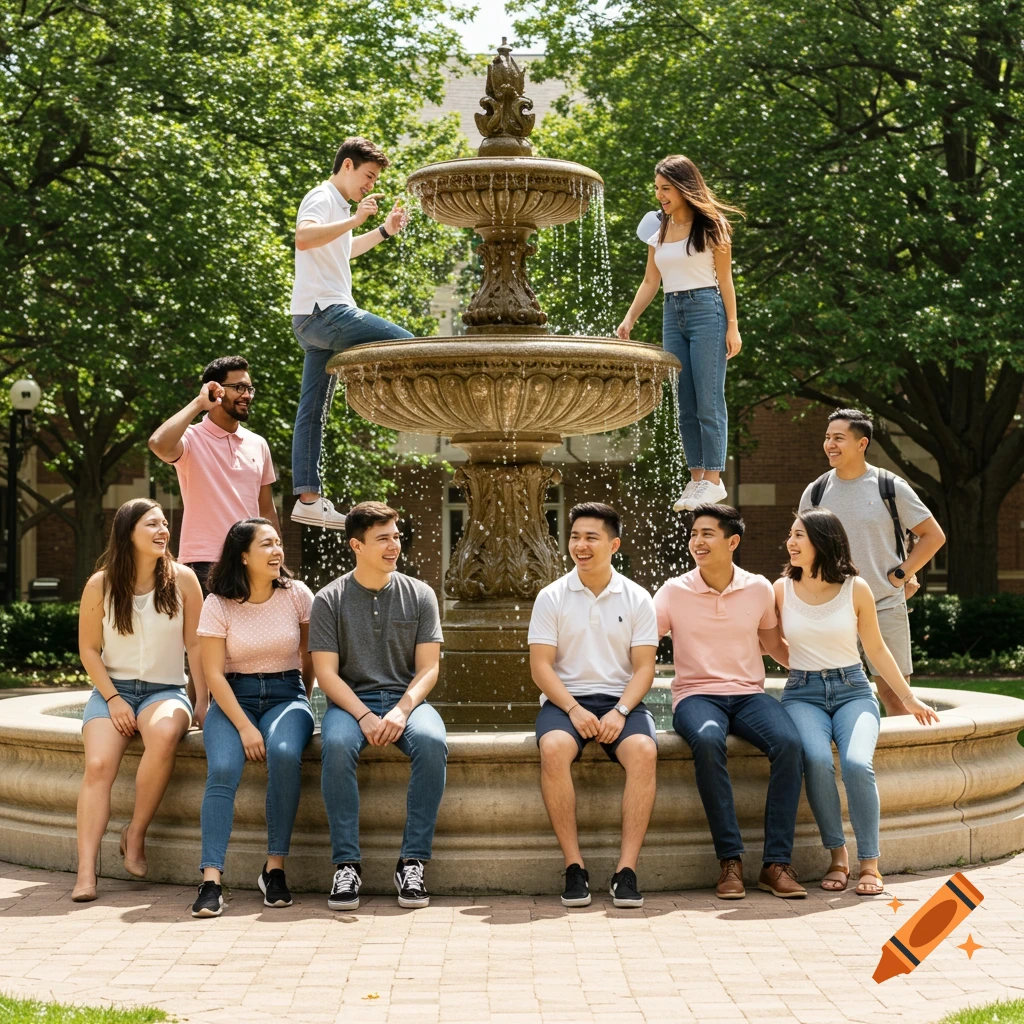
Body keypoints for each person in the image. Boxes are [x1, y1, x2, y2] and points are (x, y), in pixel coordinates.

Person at [775, 510, 940, 897]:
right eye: (791, 534)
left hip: (853, 689)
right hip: (802, 694)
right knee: (814, 760)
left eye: (800, 535)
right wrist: (801, 664)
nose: (791, 542)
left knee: (855, 763)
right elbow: (765, 638)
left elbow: (877, 649)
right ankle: (838, 856)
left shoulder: (856, 588)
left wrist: (908, 697)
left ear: (823, 540)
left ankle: (870, 862)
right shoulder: (780, 589)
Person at [655, 504, 805, 900]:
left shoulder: (757, 588)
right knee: (707, 740)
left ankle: (775, 864)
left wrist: (821, 667)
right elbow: (639, 642)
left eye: (707, 533)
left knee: (790, 744)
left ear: (732, 541)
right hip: (695, 695)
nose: (697, 541)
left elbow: (774, 646)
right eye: (693, 534)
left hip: (748, 695)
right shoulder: (673, 590)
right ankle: (730, 861)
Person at [311, 501, 446, 910]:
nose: (394, 546)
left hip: (407, 700)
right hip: (352, 703)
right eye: (383, 538)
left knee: (432, 742)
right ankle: (346, 866)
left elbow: (428, 669)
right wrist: (365, 715)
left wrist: (403, 710)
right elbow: (326, 675)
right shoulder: (329, 599)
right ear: (357, 545)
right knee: (334, 747)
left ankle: (412, 861)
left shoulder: (420, 594)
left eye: (397, 537)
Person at [529, 503, 659, 909]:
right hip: (566, 700)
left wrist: (620, 712)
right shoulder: (551, 596)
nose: (580, 546)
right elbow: (541, 667)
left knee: (644, 751)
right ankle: (575, 867)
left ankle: (626, 871)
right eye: (575, 537)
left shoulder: (638, 598)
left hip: (622, 701)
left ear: (614, 544)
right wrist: (573, 710)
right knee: (553, 749)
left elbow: (644, 669)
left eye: (591, 538)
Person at [74, 499, 202, 902]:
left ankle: (135, 833)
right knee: (97, 765)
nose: (163, 530)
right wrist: (112, 699)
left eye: (165, 523)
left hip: (166, 691)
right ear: (128, 531)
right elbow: (89, 650)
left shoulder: (183, 581)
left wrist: (202, 700)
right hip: (113, 689)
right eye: (152, 524)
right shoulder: (100, 584)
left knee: (164, 735)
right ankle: (86, 871)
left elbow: (196, 645)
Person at [191, 519, 315, 918]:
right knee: (224, 767)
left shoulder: (297, 595)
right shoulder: (218, 603)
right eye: (267, 545)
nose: (277, 551)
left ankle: (274, 870)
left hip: (286, 694)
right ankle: (211, 879)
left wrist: (303, 700)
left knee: (282, 753)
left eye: (278, 544)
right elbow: (212, 675)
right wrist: (244, 726)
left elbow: (309, 657)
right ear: (243, 555)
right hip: (234, 697)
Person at [290, 137, 412, 530]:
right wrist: (357, 219)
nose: (371, 185)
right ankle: (401, 408)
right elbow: (304, 238)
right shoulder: (322, 196)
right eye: (368, 176)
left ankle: (308, 499)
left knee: (312, 411)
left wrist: (382, 231)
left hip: (311, 321)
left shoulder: (337, 206)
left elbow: (341, 250)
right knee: (411, 346)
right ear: (346, 166)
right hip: (327, 313)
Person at [799, 409, 947, 716]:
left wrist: (901, 575)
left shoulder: (890, 487)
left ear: (861, 443)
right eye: (827, 438)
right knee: (830, 699)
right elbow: (801, 548)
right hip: (830, 609)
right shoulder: (815, 492)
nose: (830, 444)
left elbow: (933, 536)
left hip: (884, 604)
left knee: (895, 699)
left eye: (838, 438)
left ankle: (902, 765)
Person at [616, 155, 743, 512]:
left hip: (707, 310)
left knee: (708, 398)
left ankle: (713, 480)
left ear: (685, 188)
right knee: (684, 403)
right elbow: (650, 280)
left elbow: (726, 281)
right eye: (657, 189)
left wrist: (733, 327)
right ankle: (696, 477)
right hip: (673, 314)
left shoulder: (712, 225)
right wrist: (629, 320)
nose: (660, 196)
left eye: (666, 188)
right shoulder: (657, 228)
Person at [148, 355, 281, 597]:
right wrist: (199, 403)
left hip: (252, 560)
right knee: (209, 636)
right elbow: (158, 443)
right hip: (204, 562)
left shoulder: (258, 444)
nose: (247, 395)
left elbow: (267, 510)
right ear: (216, 391)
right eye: (239, 387)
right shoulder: (190, 438)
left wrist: (277, 559)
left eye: (249, 388)